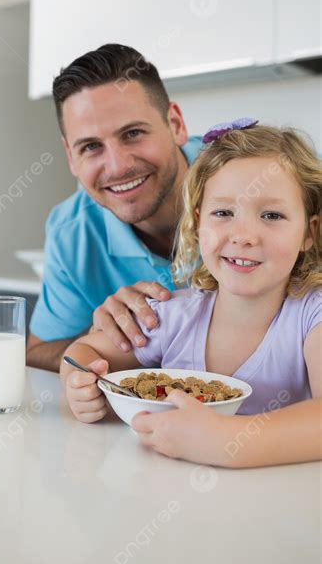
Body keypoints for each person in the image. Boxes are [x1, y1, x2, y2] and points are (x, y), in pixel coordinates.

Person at [60, 121, 321, 468]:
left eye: (272, 215)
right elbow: (84, 352)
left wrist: (227, 442)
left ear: (309, 232)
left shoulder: (311, 315)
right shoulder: (174, 315)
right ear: (198, 224)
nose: (243, 235)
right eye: (223, 213)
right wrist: (78, 385)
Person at [27, 44, 202, 371]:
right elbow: (37, 353)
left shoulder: (264, 181)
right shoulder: (71, 231)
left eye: (133, 133)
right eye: (91, 146)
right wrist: (99, 338)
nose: (118, 166)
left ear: (175, 124)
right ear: (70, 157)